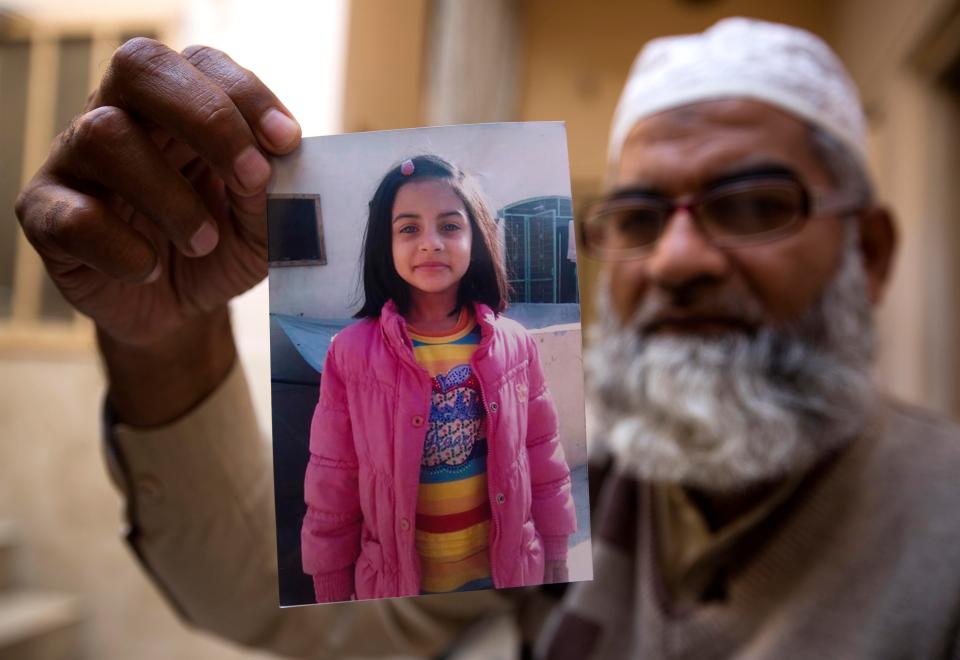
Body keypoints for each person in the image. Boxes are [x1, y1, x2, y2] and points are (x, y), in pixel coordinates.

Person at [13, 17, 960, 659]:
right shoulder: (600, 460)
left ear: (867, 252)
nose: (677, 260)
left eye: (751, 204)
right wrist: (161, 335)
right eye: (635, 215)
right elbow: (272, 602)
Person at [301, 155, 575, 602]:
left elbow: (543, 457)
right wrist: (330, 588)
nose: (430, 243)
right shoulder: (351, 354)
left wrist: (558, 552)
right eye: (409, 228)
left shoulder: (514, 345)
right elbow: (332, 480)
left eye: (450, 226)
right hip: (399, 589)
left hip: (507, 574)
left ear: (476, 239)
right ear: (385, 245)